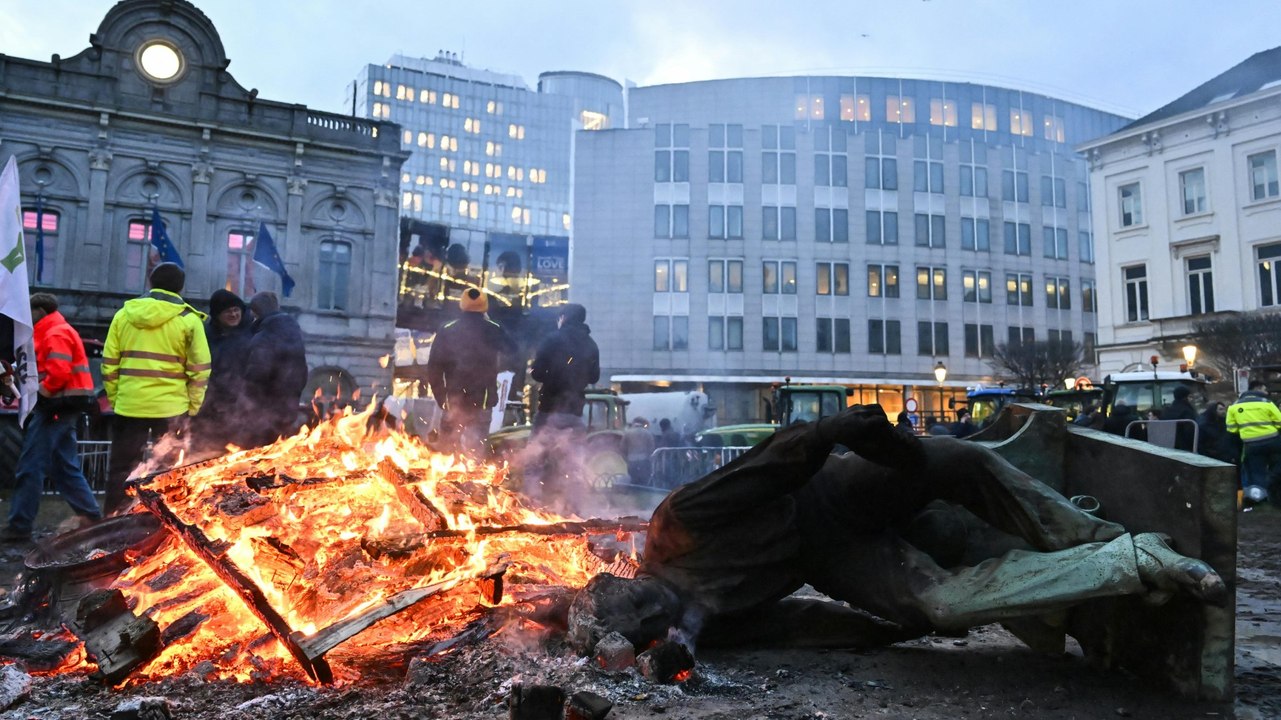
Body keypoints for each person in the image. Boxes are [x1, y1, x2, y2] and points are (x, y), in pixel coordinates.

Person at [567, 405, 1227, 658]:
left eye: (642, 597)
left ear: (635, 577)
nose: (657, 608)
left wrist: (845, 434)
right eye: (647, 620)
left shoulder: (673, 525)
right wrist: (891, 627)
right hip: (835, 554)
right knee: (944, 602)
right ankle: (1128, 559)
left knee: (957, 459)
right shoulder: (696, 628)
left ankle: (1086, 529)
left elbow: (771, 462)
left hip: (825, 493)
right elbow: (797, 624)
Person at [103, 263, 210, 513]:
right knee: (168, 471)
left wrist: (117, 399)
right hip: (172, 409)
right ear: (181, 287)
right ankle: (162, 521)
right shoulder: (189, 320)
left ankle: (113, 519)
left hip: (130, 406)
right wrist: (193, 406)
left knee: (121, 468)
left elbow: (109, 365)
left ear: (150, 282)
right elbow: (200, 368)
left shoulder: (124, 315)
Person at [2, 294, 102, 542]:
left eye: (30, 310)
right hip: (61, 407)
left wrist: (41, 397)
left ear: (41, 310)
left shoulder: (54, 332)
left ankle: (19, 526)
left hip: (55, 406)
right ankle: (92, 518)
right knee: (63, 467)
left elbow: (58, 372)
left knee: (31, 465)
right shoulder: (52, 330)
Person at [425, 288, 516, 456]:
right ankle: (472, 482)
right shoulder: (493, 328)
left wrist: (441, 397)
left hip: (453, 401)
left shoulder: (447, 329)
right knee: (474, 455)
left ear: (462, 304)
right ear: (485, 306)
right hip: (482, 401)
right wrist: (490, 321)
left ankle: (441, 481)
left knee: (446, 454)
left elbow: (434, 367)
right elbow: (513, 349)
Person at [242, 291, 309, 448]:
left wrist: (247, 402)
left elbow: (256, 375)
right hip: (289, 406)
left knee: (261, 456)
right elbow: (302, 373)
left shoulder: (263, 337)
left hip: (265, 411)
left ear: (255, 312)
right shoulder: (294, 334)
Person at [191, 289, 253, 454]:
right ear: (217, 315)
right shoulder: (205, 335)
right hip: (210, 407)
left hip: (242, 407)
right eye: (228, 311)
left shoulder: (252, 332)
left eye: (236, 310)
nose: (233, 314)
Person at [530, 303, 600, 431]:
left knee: (537, 448)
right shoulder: (591, 345)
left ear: (563, 318)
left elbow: (537, 373)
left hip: (549, 409)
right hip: (575, 412)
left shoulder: (551, 340)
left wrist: (551, 378)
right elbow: (594, 377)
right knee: (574, 450)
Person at [1227, 380, 1281, 502]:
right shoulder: (1267, 403)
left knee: (1257, 471)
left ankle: (1260, 497)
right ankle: (1274, 492)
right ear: (1257, 388)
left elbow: (1232, 429)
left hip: (1251, 444)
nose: (1266, 392)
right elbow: (1280, 422)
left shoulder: (1234, 406)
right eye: (1264, 389)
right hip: (1273, 441)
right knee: (1277, 466)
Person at [1197, 401, 1238, 466]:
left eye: (1224, 409)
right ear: (1213, 411)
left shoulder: (1226, 423)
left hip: (1226, 455)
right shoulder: (1205, 425)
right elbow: (1201, 443)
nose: (1224, 411)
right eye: (1220, 409)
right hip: (1213, 456)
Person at [1164, 386, 1199, 452]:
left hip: (1168, 445)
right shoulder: (1187, 411)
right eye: (1189, 396)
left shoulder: (1167, 410)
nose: (1191, 399)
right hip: (1184, 447)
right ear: (1185, 397)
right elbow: (1190, 431)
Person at [622, 417, 656, 485]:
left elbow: (623, 447)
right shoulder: (648, 433)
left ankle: (634, 493)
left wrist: (626, 458)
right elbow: (652, 446)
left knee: (633, 479)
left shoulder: (627, 433)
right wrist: (648, 456)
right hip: (644, 459)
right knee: (644, 479)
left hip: (631, 459)